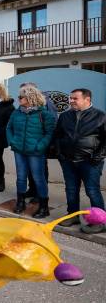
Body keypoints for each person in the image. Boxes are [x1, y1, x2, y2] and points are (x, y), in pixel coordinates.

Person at [53, 88, 105, 232]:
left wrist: (97, 157)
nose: (71, 101)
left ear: (87, 99)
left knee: (92, 191)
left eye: (75, 98)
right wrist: (60, 154)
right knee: (71, 189)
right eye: (70, 98)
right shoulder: (65, 116)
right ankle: (72, 215)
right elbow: (57, 136)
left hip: (90, 162)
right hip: (68, 161)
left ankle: (100, 221)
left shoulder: (100, 116)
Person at [7, 86, 56, 218]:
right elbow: (9, 128)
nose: (18, 99)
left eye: (21, 97)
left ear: (30, 98)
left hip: (35, 152)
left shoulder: (44, 114)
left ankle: (44, 207)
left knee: (38, 178)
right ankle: (21, 202)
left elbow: (50, 133)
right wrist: (12, 141)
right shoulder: (17, 113)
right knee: (21, 177)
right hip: (19, 150)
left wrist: (40, 146)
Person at [18, 82, 59, 203]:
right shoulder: (23, 106)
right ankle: (32, 189)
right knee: (30, 169)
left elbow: (53, 124)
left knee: (40, 170)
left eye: (24, 92)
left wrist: (43, 144)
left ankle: (40, 194)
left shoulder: (46, 103)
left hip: (39, 145)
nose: (21, 96)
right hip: (25, 145)